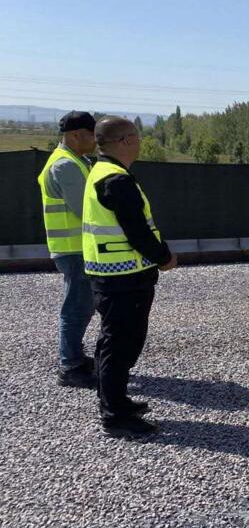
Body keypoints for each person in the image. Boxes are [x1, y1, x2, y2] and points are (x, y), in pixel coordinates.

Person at [81, 116, 176, 437]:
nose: (139, 141)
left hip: (112, 274)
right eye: (136, 136)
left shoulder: (103, 171)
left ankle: (115, 400)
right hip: (124, 277)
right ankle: (115, 415)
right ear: (124, 141)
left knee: (114, 340)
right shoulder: (116, 180)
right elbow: (137, 230)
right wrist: (164, 257)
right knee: (120, 343)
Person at [38, 111, 98, 388]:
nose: (96, 140)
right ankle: (70, 366)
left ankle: (74, 357)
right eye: (92, 135)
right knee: (76, 308)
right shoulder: (66, 166)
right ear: (76, 135)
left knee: (82, 306)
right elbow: (85, 209)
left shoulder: (76, 161)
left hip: (76, 248)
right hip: (73, 250)